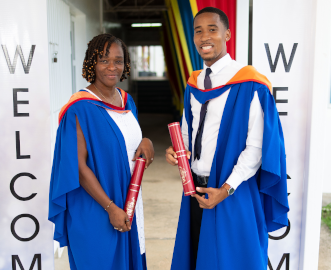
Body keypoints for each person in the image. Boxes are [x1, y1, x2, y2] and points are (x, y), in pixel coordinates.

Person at [165, 7, 289, 270]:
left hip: (232, 191)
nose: (204, 37)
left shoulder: (250, 83)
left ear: (227, 34)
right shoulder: (194, 83)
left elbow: (256, 149)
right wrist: (178, 151)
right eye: (198, 31)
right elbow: (189, 132)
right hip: (195, 191)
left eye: (212, 29)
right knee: (198, 258)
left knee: (233, 262)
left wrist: (226, 189)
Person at [49, 33, 154, 270]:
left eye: (118, 60)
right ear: (91, 63)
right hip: (96, 208)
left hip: (128, 201)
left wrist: (146, 141)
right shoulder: (80, 108)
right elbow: (78, 165)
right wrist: (110, 208)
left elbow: (128, 142)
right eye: (104, 60)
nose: (112, 67)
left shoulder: (126, 101)